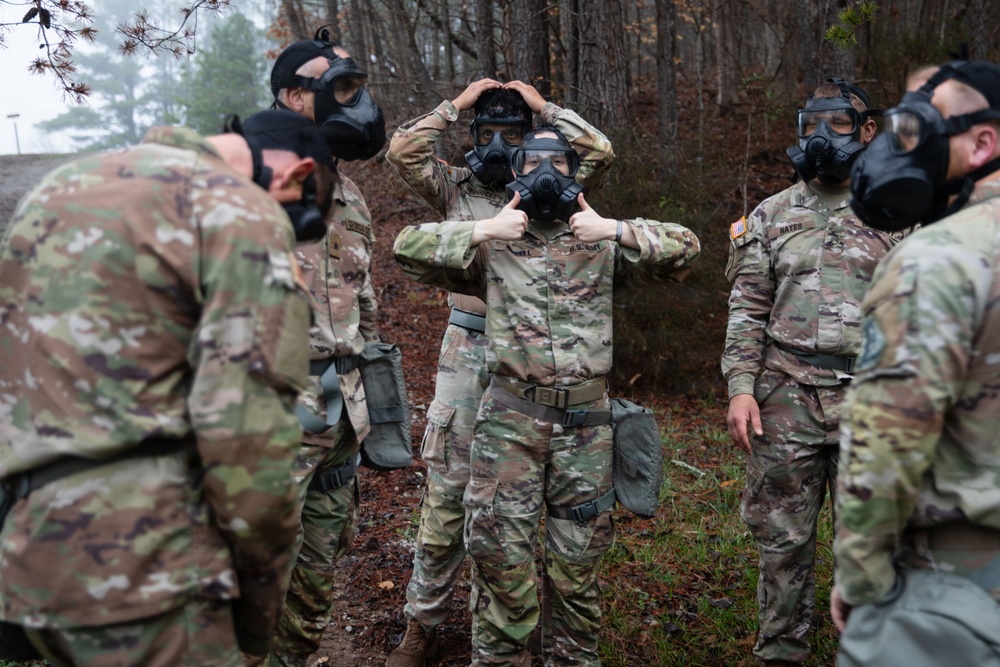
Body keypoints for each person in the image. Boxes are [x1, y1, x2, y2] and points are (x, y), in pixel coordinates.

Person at [0, 109, 336, 666]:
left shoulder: (59, 187)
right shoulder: (238, 211)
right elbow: (248, 445)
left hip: (31, 559)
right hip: (152, 567)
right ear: (295, 176)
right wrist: (257, 620)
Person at [394, 126, 700, 666]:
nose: (545, 174)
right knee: (500, 565)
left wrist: (618, 229)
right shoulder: (494, 246)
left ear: (574, 173)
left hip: (585, 432)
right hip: (509, 424)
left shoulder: (599, 243)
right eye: (533, 162)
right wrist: (483, 229)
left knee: (577, 573)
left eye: (558, 163)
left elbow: (686, 249)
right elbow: (406, 249)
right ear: (515, 172)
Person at [384, 78, 615, 666]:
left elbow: (600, 153)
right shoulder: (456, 185)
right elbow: (402, 152)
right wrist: (456, 105)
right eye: (486, 131)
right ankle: (426, 620)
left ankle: (519, 615)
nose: (498, 144)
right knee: (451, 488)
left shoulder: (555, 185)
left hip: (539, 361)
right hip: (472, 346)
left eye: (511, 133)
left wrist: (546, 109)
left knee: (525, 498)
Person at [721, 78, 903, 666]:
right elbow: (747, 309)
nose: (823, 138)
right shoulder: (771, 215)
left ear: (867, 131)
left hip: (872, 401)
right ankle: (780, 650)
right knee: (781, 544)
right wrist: (741, 390)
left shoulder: (903, 212)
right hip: (785, 398)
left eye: (841, 125)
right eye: (812, 125)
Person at [831, 59, 1000, 636]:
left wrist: (860, 578)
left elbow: (886, 442)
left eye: (923, 126)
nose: (907, 143)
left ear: (983, 142)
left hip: (957, 589)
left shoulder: (939, 258)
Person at [262, 29, 387, 667]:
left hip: (342, 420)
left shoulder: (353, 195)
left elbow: (363, 305)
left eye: (353, 86)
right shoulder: (253, 181)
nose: (351, 99)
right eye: (336, 87)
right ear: (291, 95)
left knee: (317, 579)